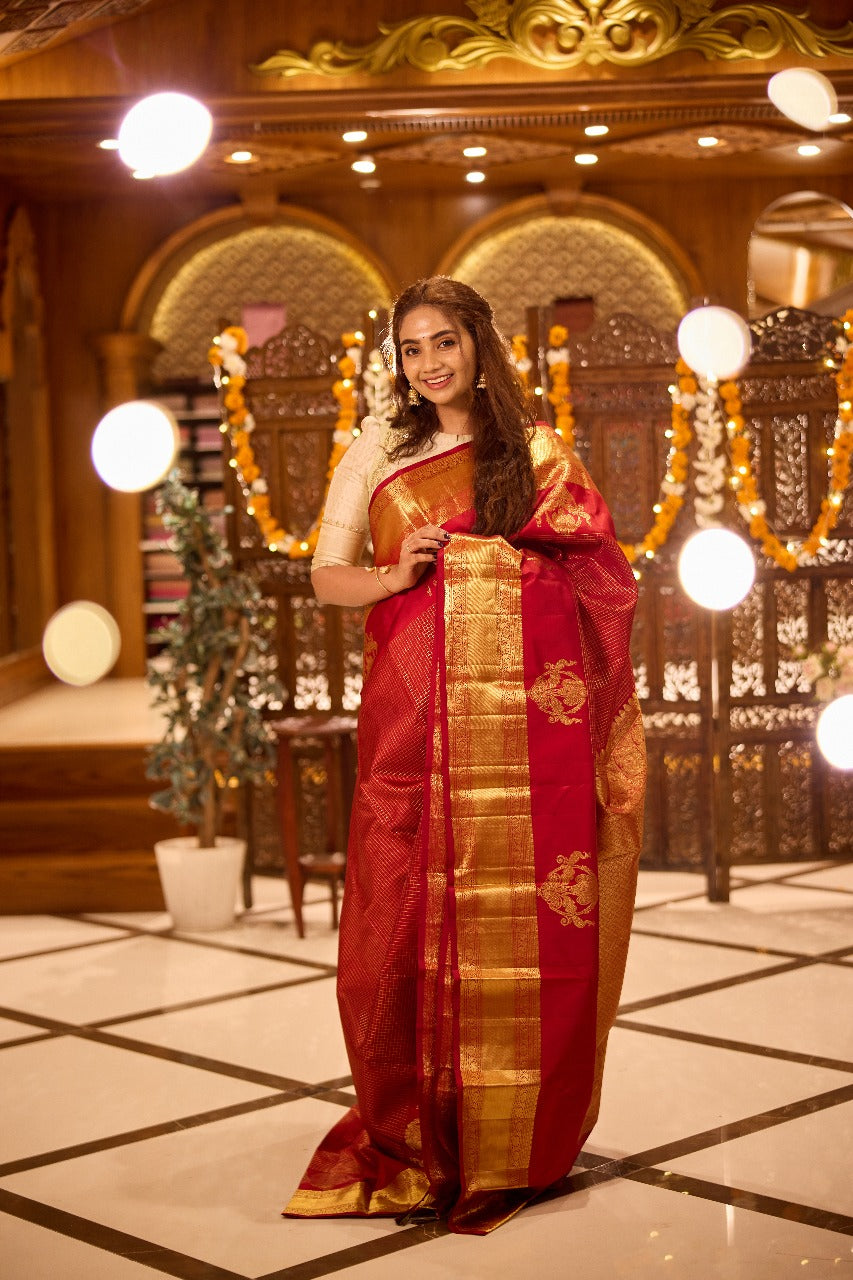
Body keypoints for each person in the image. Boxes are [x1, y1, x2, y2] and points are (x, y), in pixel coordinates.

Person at [283, 276, 646, 1235]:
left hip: (520, 755)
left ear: (478, 344)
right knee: (392, 918)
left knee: (518, 916)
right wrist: (394, 575)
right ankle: (410, 1130)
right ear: (397, 362)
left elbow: (598, 573)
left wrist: (490, 568)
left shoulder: (529, 451)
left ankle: (510, 1136)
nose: (430, 363)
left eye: (444, 341)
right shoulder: (377, 448)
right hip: (409, 720)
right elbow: (326, 575)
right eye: (412, 349)